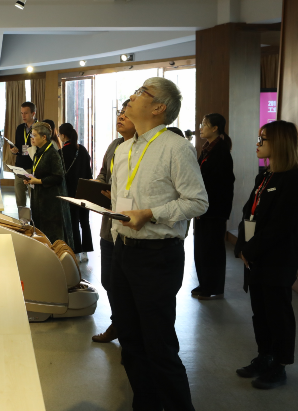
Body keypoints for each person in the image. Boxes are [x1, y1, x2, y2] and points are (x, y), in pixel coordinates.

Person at [111, 77, 208, 411]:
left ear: (158, 108)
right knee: (130, 341)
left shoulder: (175, 147)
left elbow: (197, 202)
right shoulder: (123, 149)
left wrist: (150, 214)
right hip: (123, 252)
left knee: (159, 345)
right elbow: (119, 201)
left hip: (157, 257)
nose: (132, 95)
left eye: (142, 92)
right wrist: (117, 239)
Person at [234, 120, 298, 390]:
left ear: (279, 143)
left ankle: (280, 364)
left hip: (277, 258)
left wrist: (250, 249)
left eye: (262, 139)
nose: (258, 144)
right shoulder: (264, 177)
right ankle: (265, 356)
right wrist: (242, 246)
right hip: (255, 255)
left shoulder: (293, 180)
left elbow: (279, 225)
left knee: (278, 312)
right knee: (260, 311)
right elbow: (249, 213)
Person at [91, 99, 135, 343]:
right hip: (109, 224)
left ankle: (125, 328)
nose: (120, 117)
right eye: (119, 112)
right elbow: (103, 174)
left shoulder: (142, 149)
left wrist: (116, 195)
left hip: (130, 224)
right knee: (108, 280)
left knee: (125, 284)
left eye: (126, 113)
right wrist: (96, 186)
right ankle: (118, 323)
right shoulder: (115, 145)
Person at [192, 113, 235, 300]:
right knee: (201, 248)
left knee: (212, 249)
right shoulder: (207, 149)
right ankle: (204, 283)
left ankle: (213, 287)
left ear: (215, 128)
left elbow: (218, 183)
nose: (201, 128)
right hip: (203, 206)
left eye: (204, 124)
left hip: (214, 209)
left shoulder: (221, 151)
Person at [23, 122, 74, 246]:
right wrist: (30, 178)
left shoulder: (52, 153)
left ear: (44, 137)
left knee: (51, 235)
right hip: (40, 198)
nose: (32, 138)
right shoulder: (39, 152)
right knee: (41, 230)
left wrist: (38, 181)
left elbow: (58, 177)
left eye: (34, 135)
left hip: (51, 202)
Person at [58, 123, 93, 261]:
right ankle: (86, 251)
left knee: (73, 222)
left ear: (63, 135)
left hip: (70, 192)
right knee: (85, 221)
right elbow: (89, 172)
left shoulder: (61, 153)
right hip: (85, 191)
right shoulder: (82, 150)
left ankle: (76, 252)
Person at [9, 102, 36, 208]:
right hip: (19, 167)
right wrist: (14, 150)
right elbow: (18, 145)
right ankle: (22, 218)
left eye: (26, 113)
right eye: (22, 113)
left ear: (33, 113)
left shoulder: (39, 127)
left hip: (32, 167)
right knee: (20, 200)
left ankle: (34, 218)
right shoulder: (20, 128)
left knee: (33, 198)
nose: (23, 116)